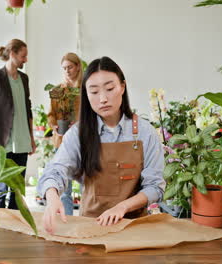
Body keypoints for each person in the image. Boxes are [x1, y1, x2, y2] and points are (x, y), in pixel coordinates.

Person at [37, 56, 165, 234]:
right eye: (94, 92)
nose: (103, 98)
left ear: (122, 87)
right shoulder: (78, 134)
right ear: (86, 95)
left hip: (134, 228)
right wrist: (52, 197)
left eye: (110, 88)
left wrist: (122, 207)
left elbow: (155, 186)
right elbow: (55, 170)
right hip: (90, 227)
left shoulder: (146, 132)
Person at [0, 39, 36, 210]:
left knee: (17, 191)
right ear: (12, 54)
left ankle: (15, 227)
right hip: (2, 143)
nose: (25, 60)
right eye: (23, 56)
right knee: (1, 189)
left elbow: (28, 109)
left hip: (22, 141)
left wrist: (31, 138)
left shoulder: (24, 79)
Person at [46, 52, 82, 216]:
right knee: (64, 187)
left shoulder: (86, 89)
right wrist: (54, 125)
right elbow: (51, 114)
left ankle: (87, 219)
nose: (67, 71)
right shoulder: (57, 90)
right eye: (64, 68)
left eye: (70, 67)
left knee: (86, 185)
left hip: (83, 141)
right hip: (61, 141)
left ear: (78, 67)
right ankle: (67, 220)